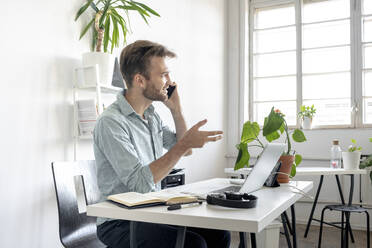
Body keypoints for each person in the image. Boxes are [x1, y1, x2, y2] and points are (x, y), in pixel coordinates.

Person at [93, 40, 231, 248]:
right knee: (194, 245)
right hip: (120, 220)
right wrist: (183, 145)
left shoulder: (151, 116)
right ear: (140, 80)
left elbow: (186, 150)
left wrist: (176, 110)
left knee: (218, 234)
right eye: (163, 74)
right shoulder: (111, 122)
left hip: (150, 212)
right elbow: (140, 182)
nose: (169, 81)